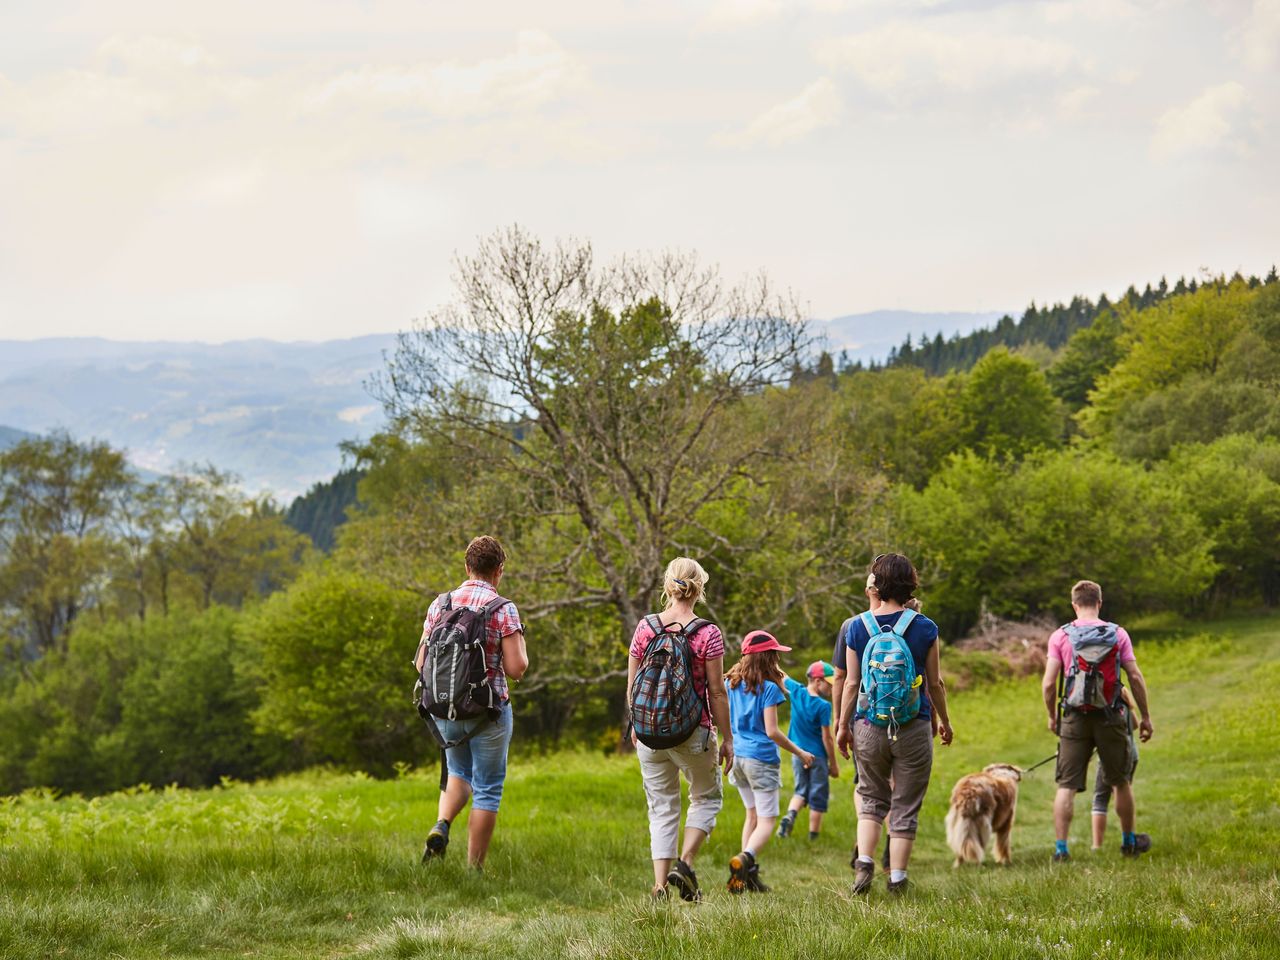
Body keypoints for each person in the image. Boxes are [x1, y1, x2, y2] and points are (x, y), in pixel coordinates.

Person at [836, 553, 954, 895]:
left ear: (877, 584)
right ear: (910, 583)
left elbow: (850, 683)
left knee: (871, 798)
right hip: (913, 725)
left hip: (869, 725)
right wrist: (944, 721)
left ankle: (865, 864)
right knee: (905, 802)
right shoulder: (925, 627)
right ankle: (898, 878)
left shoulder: (855, 627)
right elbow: (935, 684)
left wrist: (843, 726)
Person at [417, 535, 528, 869]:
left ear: (467, 566)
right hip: (488, 713)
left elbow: (422, 661)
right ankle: (474, 871)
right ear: (499, 571)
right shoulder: (503, 609)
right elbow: (516, 668)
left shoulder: (441, 604)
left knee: (457, 772)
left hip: (444, 709)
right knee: (487, 788)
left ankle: (442, 823)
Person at [628, 557, 734, 902]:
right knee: (706, 797)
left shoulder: (645, 627)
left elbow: (632, 684)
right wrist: (728, 738)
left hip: (649, 733)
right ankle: (684, 864)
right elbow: (716, 691)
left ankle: (659, 887)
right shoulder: (708, 633)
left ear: (668, 585)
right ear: (699, 587)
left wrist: (636, 722)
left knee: (661, 806)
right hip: (694, 732)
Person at [1042, 580, 1153, 862]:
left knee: (1066, 785)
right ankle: (1128, 842)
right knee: (1120, 781)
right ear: (1099, 602)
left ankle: (1061, 849)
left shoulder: (1060, 636)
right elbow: (1135, 678)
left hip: (1075, 717)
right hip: (1111, 715)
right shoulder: (1118, 634)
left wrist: (1053, 717)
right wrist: (1146, 717)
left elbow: (1048, 684)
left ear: (1074, 605)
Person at [724, 630, 815, 894]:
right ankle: (745, 858)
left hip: (738, 758)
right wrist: (801, 753)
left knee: (751, 814)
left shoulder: (731, 682)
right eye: (775, 655)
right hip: (760, 760)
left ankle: (744, 877)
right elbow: (772, 731)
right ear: (768, 658)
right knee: (767, 821)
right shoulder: (769, 688)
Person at [777, 661, 840, 841]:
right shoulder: (823, 706)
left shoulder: (797, 692)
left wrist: (769, 658)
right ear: (818, 681)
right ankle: (814, 836)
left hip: (798, 754)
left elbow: (781, 675)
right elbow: (827, 738)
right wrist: (833, 764)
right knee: (818, 795)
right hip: (818, 757)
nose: (831, 688)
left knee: (800, 791)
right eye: (829, 683)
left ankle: (789, 816)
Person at [1092, 686, 1140, 851]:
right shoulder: (1125, 707)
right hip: (1132, 755)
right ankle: (1129, 838)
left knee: (1100, 799)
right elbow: (1134, 725)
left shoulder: (1104, 708)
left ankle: (1097, 845)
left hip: (1111, 758)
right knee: (1124, 792)